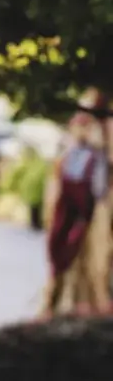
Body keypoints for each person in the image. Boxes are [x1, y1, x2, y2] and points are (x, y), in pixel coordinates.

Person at [44, 89, 112, 316]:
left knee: (96, 261)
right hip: (78, 210)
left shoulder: (100, 148)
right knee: (69, 258)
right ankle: (64, 305)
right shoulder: (72, 153)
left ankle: (95, 305)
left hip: (96, 207)